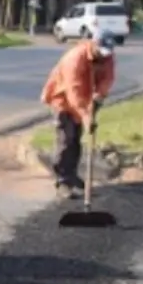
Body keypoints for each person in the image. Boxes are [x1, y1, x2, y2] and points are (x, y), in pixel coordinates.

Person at [40, 31, 116, 199]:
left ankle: (72, 175)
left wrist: (99, 97)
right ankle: (62, 182)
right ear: (93, 44)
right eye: (101, 51)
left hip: (85, 99)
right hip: (62, 99)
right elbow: (74, 92)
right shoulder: (74, 59)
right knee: (66, 140)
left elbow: (108, 77)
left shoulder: (107, 56)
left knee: (76, 140)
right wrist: (86, 116)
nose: (105, 56)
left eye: (107, 52)